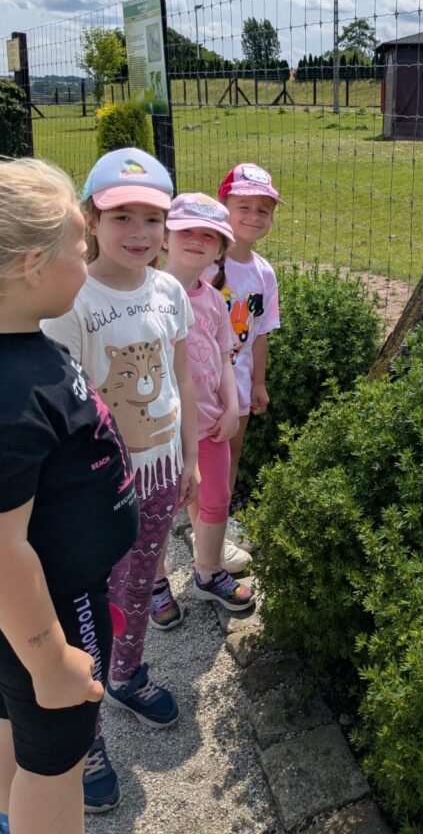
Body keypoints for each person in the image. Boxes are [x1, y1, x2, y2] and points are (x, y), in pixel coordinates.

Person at [42, 147, 198, 814]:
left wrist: (190, 458)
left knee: (139, 584)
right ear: (90, 220)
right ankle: (86, 736)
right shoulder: (72, 300)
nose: (139, 232)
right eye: (121, 217)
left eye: (152, 218)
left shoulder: (168, 292)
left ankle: (128, 675)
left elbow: (181, 375)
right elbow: (63, 406)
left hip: (160, 473)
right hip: (100, 489)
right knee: (87, 610)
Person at [0, 157, 138, 834]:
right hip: (51, 606)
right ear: (32, 265)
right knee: (58, 757)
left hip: (31, 610)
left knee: (12, 718)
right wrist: (50, 658)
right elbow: (2, 550)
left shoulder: (23, 347)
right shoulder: (10, 396)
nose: (87, 264)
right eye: (80, 251)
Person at [149, 193, 254, 626]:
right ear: (165, 239)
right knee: (157, 511)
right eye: (186, 231)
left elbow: (225, 355)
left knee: (216, 499)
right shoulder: (146, 294)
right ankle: (154, 582)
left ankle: (208, 572)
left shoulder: (212, 299)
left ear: (220, 249)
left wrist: (232, 406)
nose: (196, 240)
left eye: (208, 236)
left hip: (210, 424)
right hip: (158, 433)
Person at [205, 163, 281, 573]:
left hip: (238, 381)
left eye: (263, 210)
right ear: (224, 208)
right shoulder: (204, 263)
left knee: (231, 453)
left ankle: (218, 521)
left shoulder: (263, 273)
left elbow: (261, 333)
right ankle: (200, 523)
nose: (254, 216)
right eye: (244, 207)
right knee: (200, 455)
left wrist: (259, 383)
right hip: (201, 383)